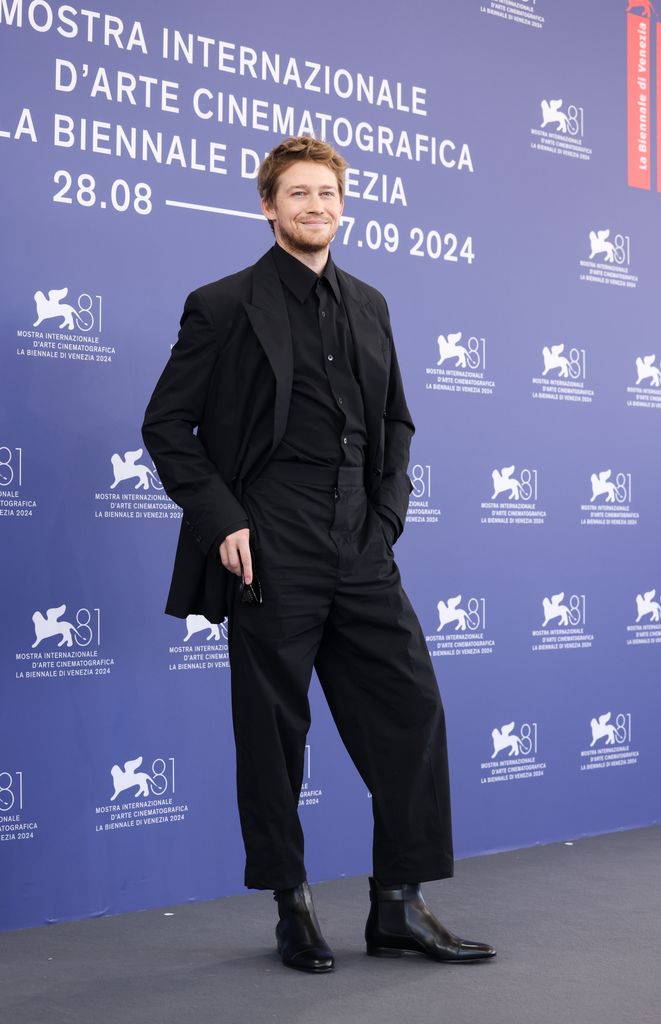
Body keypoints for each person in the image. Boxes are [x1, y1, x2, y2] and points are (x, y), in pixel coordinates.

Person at [142, 136, 495, 973]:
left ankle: (398, 907)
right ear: (269, 207)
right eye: (296, 194)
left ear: (343, 204)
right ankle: (292, 907)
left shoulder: (369, 303)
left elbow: (396, 420)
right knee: (274, 732)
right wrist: (223, 518)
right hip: (270, 536)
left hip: (359, 537)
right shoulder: (222, 304)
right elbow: (166, 424)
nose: (314, 206)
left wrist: (387, 515)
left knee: (409, 712)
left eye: (326, 194)